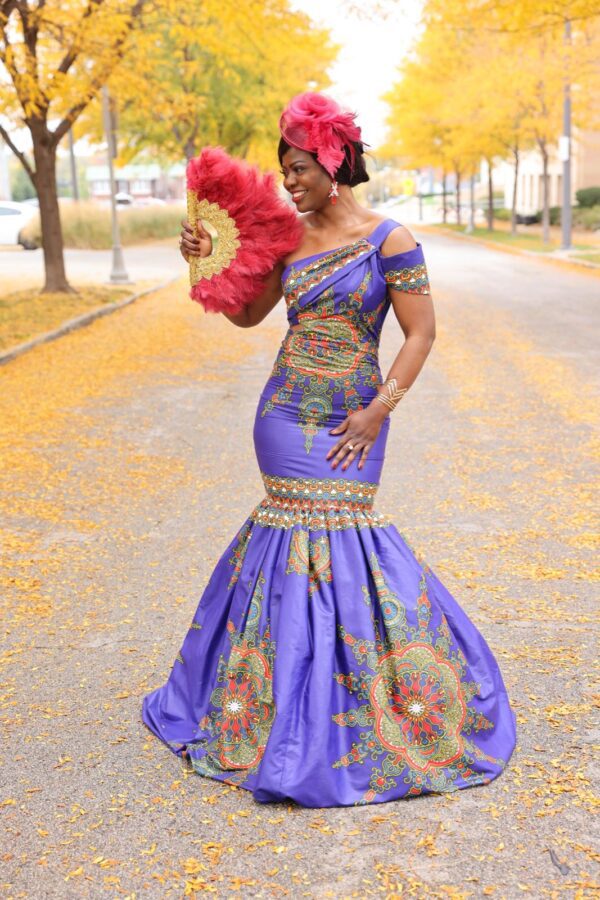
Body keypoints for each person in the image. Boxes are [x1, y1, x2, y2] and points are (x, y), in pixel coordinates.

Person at [142, 92, 517, 808]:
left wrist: (381, 410)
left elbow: (421, 334)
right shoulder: (286, 236)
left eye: (300, 169)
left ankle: (365, 708)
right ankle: (274, 712)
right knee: (287, 543)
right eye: (284, 171)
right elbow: (249, 315)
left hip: (357, 414)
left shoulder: (391, 240)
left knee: (345, 541)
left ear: (334, 163)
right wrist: (204, 263)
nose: (289, 182)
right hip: (283, 413)